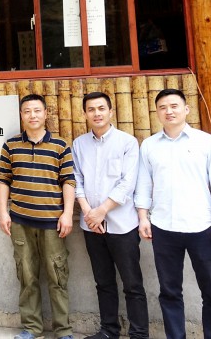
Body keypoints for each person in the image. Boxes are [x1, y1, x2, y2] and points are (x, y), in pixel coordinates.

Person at [134, 88, 211, 338]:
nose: (169, 111)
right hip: (163, 227)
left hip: (202, 226)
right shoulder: (149, 145)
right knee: (169, 292)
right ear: (157, 113)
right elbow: (143, 183)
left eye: (174, 106)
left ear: (186, 109)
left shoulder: (205, 141)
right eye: (163, 107)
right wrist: (143, 217)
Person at [0, 93, 76, 339]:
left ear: (45, 114)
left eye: (37, 110)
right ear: (21, 115)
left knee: (57, 275)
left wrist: (68, 214)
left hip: (53, 223)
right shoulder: (11, 146)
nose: (32, 115)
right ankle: (32, 328)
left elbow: (68, 181)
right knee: (27, 275)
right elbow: (3, 180)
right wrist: (3, 212)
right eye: (27, 111)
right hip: (20, 221)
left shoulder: (60, 146)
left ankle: (63, 330)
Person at [72, 92, 148, 339]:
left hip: (122, 225)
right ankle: (108, 331)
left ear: (111, 111)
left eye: (101, 108)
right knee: (103, 282)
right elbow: (76, 179)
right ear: (85, 114)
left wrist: (102, 211)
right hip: (91, 225)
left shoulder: (127, 142)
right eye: (91, 109)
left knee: (132, 283)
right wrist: (88, 213)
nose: (97, 113)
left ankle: (139, 334)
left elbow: (127, 183)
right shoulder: (79, 144)